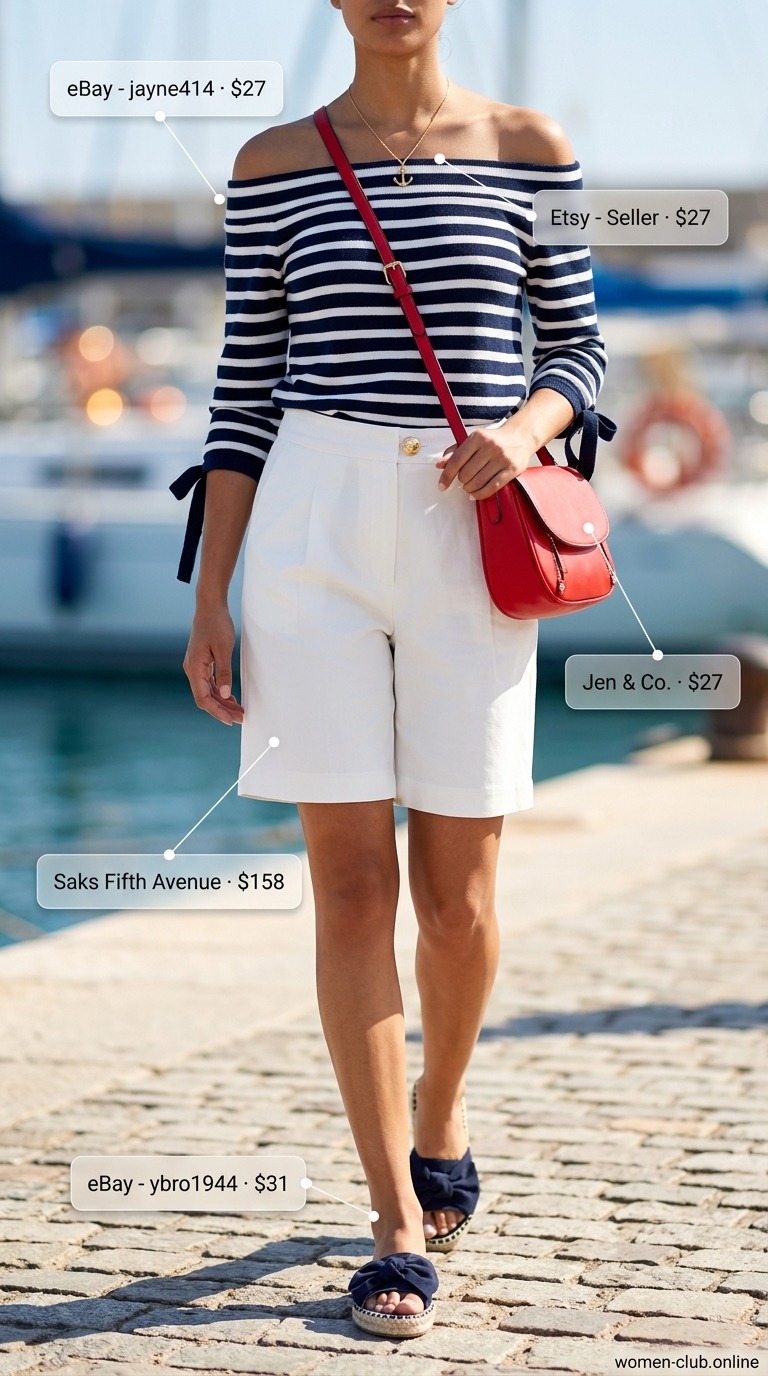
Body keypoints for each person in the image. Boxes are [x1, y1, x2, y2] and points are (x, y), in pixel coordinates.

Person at [180, 0, 606, 1339]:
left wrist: (522, 426)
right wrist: (213, 598)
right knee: (351, 880)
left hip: (467, 517)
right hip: (311, 521)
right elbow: (245, 386)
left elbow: (581, 350)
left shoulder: (531, 147)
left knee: (460, 897)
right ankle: (394, 1220)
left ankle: (441, 1117)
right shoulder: (271, 165)